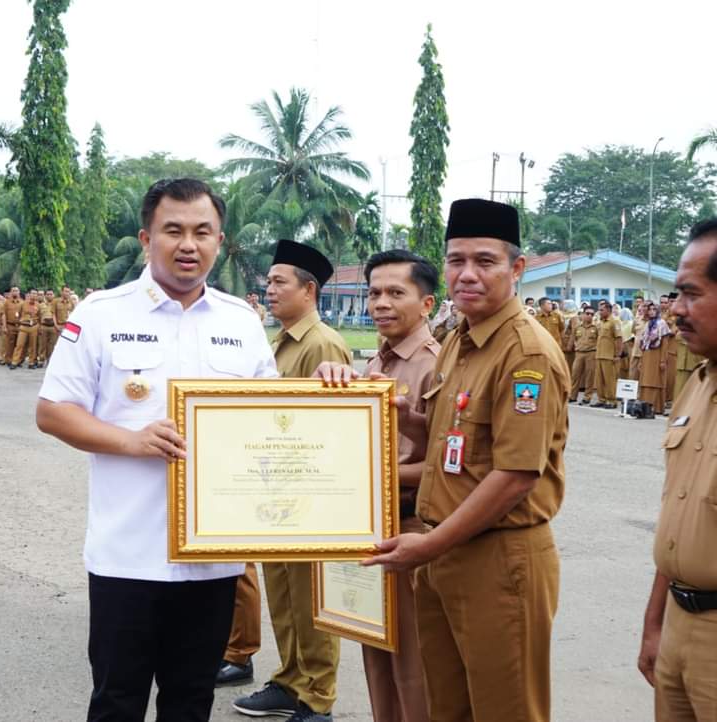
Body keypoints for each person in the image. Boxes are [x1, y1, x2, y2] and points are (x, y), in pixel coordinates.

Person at [36, 178, 277, 722]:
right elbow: (53, 410)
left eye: (202, 232)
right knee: (118, 701)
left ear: (220, 240)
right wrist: (132, 440)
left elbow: (272, 421)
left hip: (213, 561)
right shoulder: (102, 313)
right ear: (147, 239)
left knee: (191, 701)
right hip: (128, 554)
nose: (188, 244)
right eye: (174, 230)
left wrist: (330, 389)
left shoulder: (241, 322)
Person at [361, 199, 568, 722]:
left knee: (504, 710)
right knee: (445, 708)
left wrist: (427, 544)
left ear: (516, 268)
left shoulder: (526, 353)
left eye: (485, 261)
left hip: (497, 560)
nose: (467, 274)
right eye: (456, 260)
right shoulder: (461, 341)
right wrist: (397, 413)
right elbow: (444, 441)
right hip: (443, 553)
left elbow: (516, 475)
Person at [319, 249, 440, 722]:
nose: (381, 303)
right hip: (370, 523)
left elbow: (446, 466)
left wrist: (370, 479)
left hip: (411, 526)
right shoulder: (375, 364)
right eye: (374, 293)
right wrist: (325, 388)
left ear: (427, 303)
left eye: (396, 293)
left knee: (413, 664)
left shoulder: (435, 366)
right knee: (376, 650)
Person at [233, 239, 351, 722]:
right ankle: (289, 679)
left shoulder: (322, 343)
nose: (270, 288)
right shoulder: (281, 341)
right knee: (282, 593)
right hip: (275, 490)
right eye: (270, 280)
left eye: (280, 281)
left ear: (309, 289)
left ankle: (317, 696)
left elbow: (334, 428)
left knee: (310, 600)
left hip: (309, 493)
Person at [637, 219, 717, 721]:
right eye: (674, 294)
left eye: (690, 295)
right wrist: (654, 622)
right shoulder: (698, 383)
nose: (676, 311)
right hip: (679, 626)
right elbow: (679, 516)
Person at [638, 301, 672, 414]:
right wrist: (641, 360)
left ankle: (657, 407)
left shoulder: (662, 323)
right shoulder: (648, 324)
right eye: (650, 309)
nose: (651, 312)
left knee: (656, 380)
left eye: (654, 310)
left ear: (657, 311)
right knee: (645, 380)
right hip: (647, 355)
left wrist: (663, 360)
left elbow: (665, 343)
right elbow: (644, 343)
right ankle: (644, 405)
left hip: (657, 356)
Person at [593, 299, 623, 408]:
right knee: (599, 380)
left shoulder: (615, 321)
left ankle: (612, 400)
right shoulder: (600, 322)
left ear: (608, 310)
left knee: (609, 379)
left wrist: (617, 355)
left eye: (602, 310)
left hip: (609, 356)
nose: (600, 312)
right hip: (600, 354)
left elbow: (619, 339)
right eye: (599, 310)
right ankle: (602, 399)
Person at [569, 307, 599, 404]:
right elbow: (573, 338)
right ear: (582, 314)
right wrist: (571, 346)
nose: (589, 316)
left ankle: (587, 397)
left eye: (591, 314)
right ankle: (572, 396)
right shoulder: (578, 327)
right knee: (575, 375)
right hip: (579, 353)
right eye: (587, 313)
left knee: (589, 376)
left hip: (591, 352)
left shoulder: (596, 327)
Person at [10, 290, 41, 369]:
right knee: (19, 345)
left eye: (35, 294)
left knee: (32, 346)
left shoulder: (38, 305)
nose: (34, 295)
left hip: (34, 326)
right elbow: (18, 314)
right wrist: (19, 322)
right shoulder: (22, 304)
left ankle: (31, 362)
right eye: (32, 293)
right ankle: (14, 362)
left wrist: (38, 326)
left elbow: (39, 316)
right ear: (29, 294)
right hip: (24, 326)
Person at [0, 286, 23, 365]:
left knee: (19, 344)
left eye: (16, 290)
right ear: (11, 292)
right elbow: (3, 315)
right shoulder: (6, 302)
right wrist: (4, 326)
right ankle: (8, 360)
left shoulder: (22, 303)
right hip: (10, 325)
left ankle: (17, 360)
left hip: (20, 326)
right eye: (13, 290)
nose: (15, 292)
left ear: (19, 292)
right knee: (9, 344)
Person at [38, 289, 58, 365]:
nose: (49, 296)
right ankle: (41, 360)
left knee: (52, 345)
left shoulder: (56, 304)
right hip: (43, 326)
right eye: (48, 294)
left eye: (51, 294)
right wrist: (39, 326)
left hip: (53, 327)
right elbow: (38, 316)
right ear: (45, 295)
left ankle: (50, 360)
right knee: (42, 344)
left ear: (54, 295)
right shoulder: (41, 305)